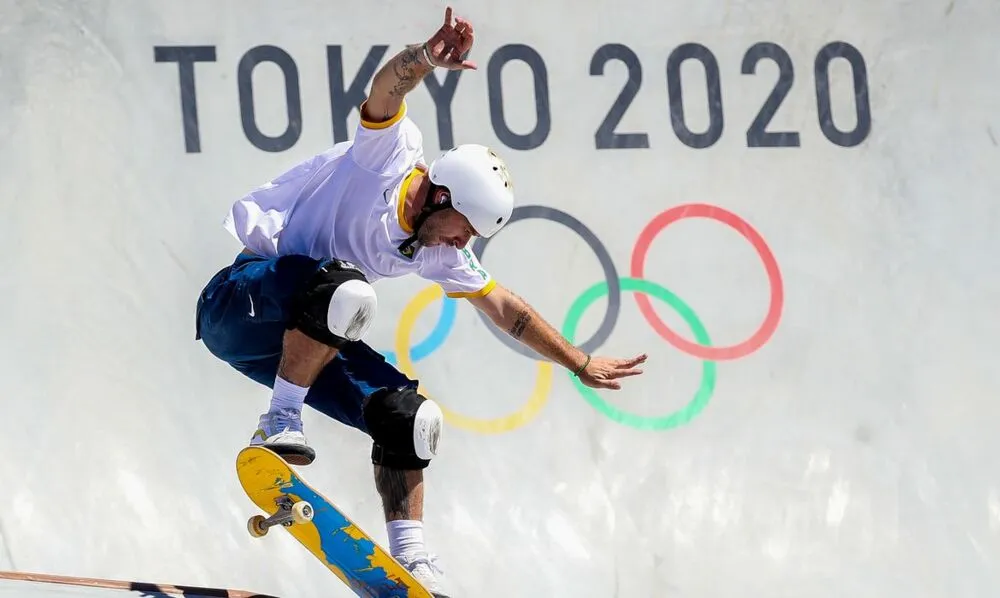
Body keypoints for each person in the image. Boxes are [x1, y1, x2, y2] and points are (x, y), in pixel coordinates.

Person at [194, 6, 646, 595]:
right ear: (439, 194)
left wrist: (579, 363)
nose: (466, 241)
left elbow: (507, 310)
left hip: (293, 345)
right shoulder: (386, 157)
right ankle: (279, 420)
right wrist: (428, 59)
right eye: (465, 226)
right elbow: (386, 88)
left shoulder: (436, 249)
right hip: (239, 304)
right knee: (345, 288)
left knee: (411, 415)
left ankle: (409, 559)